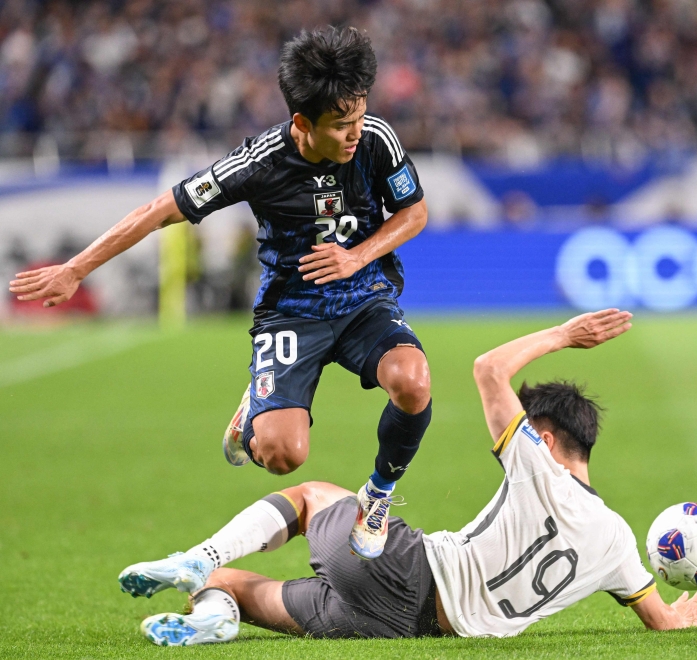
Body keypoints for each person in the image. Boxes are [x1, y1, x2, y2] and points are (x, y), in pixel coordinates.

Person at [8, 27, 433, 559]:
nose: (355, 132)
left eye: (360, 115)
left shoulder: (376, 139)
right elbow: (157, 211)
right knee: (282, 455)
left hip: (363, 298)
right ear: (302, 123)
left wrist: (356, 256)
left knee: (413, 382)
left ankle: (378, 496)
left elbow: (414, 212)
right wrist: (75, 269)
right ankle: (256, 405)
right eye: (341, 124)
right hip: (290, 313)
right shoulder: (259, 163)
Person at [118, 310, 697, 646]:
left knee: (309, 495)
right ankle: (218, 615)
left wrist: (565, 335)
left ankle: (199, 558)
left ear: (544, 440)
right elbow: (660, 618)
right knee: (239, 589)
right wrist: (684, 615)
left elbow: (489, 368)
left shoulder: (540, 469)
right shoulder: (622, 545)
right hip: (406, 630)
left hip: (404, 568)